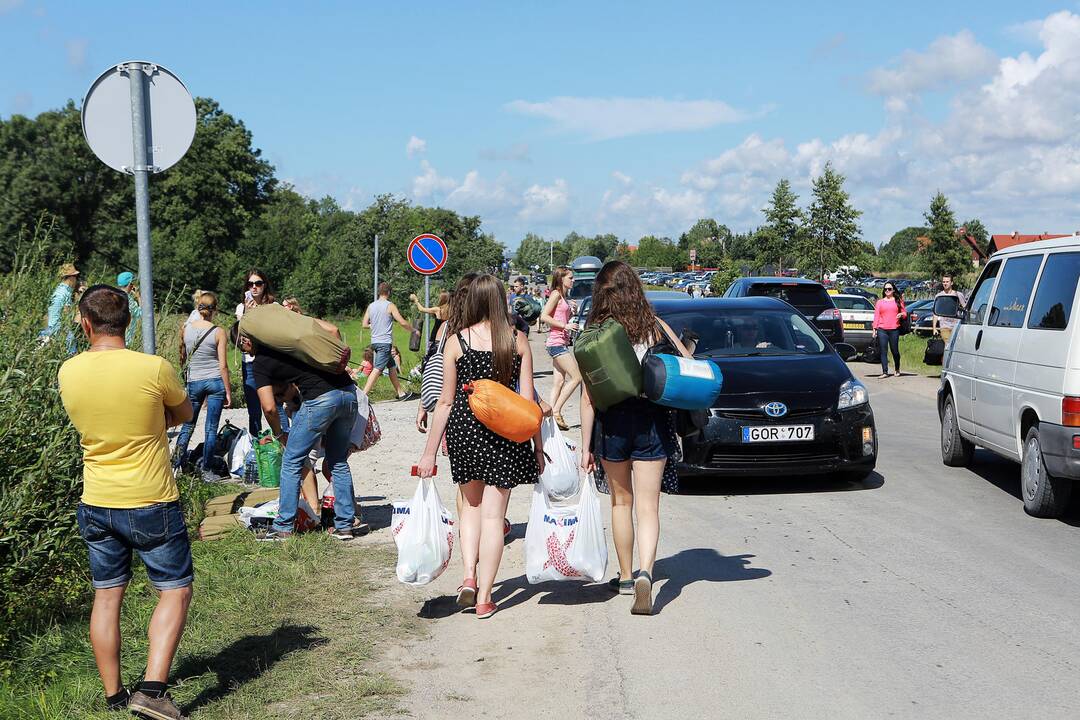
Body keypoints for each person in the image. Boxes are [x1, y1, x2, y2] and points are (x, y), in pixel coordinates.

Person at [58, 285, 194, 718]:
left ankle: (114, 695)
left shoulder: (68, 371)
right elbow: (184, 413)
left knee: (107, 596)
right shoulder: (153, 368)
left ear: (84, 323)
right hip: (151, 498)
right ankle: (152, 691)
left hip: (96, 499)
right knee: (174, 590)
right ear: (128, 322)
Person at [416, 273, 543, 619]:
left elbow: (443, 402)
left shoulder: (456, 342)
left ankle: (468, 577)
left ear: (471, 301)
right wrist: (537, 448)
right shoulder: (517, 341)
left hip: (466, 431)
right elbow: (529, 405)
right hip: (506, 434)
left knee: (470, 509)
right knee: (494, 516)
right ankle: (485, 597)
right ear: (501, 300)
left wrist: (429, 452)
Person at [578, 261, 691, 616]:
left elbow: (588, 396)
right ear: (635, 290)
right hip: (653, 422)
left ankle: (625, 577)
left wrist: (585, 446)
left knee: (620, 504)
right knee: (648, 507)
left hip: (613, 424)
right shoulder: (656, 327)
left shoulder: (595, 331)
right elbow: (686, 363)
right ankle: (646, 572)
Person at [245, 317, 365, 541]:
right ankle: (345, 526)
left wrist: (280, 434)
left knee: (292, 461)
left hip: (321, 400)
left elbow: (269, 407)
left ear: (249, 339)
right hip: (348, 393)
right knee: (338, 460)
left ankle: (283, 526)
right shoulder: (295, 343)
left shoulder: (261, 360)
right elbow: (334, 329)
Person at [173, 292, 232, 481]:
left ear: (198, 306)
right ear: (214, 310)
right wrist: (228, 392)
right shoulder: (218, 332)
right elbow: (223, 365)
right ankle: (206, 470)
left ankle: (177, 465)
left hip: (194, 381)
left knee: (187, 426)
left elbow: (182, 358)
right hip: (215, 381)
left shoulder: (185, 329)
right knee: (211, 428)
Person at [235, 269, 278, 435]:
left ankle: (283, 444)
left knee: (276, 406)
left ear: (264, 285)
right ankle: (256, 448)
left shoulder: (273, 306)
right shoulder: (241, 308)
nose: (254, 287)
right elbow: (241, 335)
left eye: (258, 283)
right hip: (250, 363)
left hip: (271, 361)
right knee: (254, 410)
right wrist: (248, 312)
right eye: (250, 284)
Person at [362, 283, 418, 401]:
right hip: (384, 342)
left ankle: (401, 393)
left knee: (392, 367)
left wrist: (375, 325)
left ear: (379, 292)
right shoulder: (390, 305)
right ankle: (362, 396)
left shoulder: (371, 306)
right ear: (389, 293)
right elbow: (402, 322)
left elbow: (364, 324)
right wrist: (414, 330)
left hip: (375, 342)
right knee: (378, 369)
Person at [541, 267, 582, 430]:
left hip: (560, 342)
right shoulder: (556, 294)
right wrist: (565, 324)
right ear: (561, 279)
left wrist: (572, 312)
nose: (573, 280)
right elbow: (544, 316)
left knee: (558, 382)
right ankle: (557, 411)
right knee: (577, 377)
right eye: (570, 278)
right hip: (556, 343)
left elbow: (560, 318)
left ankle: (550, 418)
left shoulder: (564, 297)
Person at [41, 262, 83, 353]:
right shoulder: (65, 292)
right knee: (71, 352)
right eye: (77, 277)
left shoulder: (60, 290)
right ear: (71, 277)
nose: (77, 280)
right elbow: (67, 315)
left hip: (51, 327)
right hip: (60, 330)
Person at [873, 282, 906, 378]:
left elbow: (904, 312)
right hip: (882, 329)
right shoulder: (880, 302)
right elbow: (876, 316)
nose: (887, 291)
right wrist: (874, 329)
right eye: (885, 289)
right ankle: (885, 371)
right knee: (883, 350)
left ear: (893, 290)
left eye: (889, 289)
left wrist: (901, 314)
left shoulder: (898, 300)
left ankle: (897, 369)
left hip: (894, 329)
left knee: (894, 350)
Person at [932, 274, 966, 343]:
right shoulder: (939, 296)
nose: (945, 283)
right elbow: (935, 313)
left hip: (957, 326)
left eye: (947, 282)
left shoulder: (958, 295)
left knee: (956, 346)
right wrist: (934, 328)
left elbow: (965, 308)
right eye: (944, 282)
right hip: (944, 326)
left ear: (951, 283)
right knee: (948, 345)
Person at [116, 271, 142, 347]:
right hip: (127, 339)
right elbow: (141, 314)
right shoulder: (128, 300)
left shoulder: (116, 296)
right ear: (130, 284)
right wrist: (139, 297)